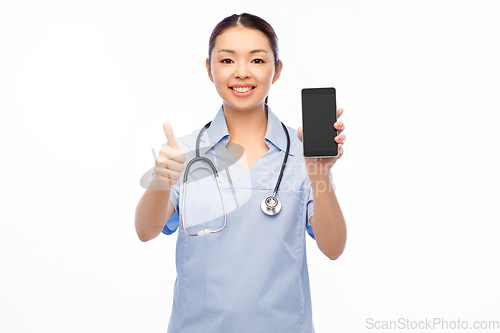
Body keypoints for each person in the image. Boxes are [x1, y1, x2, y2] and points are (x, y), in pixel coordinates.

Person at [135, 13, 347, 333]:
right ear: (209, 69)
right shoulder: (184, 152)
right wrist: (161, 179)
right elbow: (145, 230)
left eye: (257, 60)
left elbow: (333, 248)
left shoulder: (304, 154)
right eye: (227, 60)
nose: (242, 72)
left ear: (276, 71)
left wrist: (319, 175)